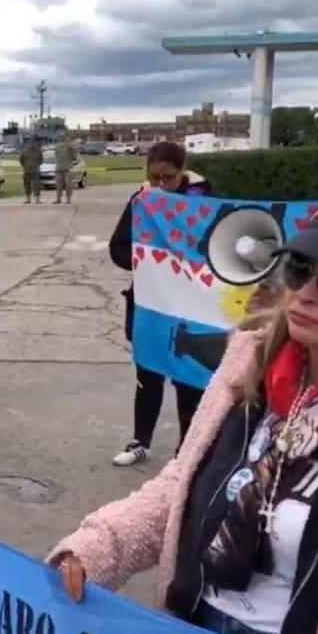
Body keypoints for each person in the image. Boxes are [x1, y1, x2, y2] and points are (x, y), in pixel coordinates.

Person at [50, 181, 318, 634]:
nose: (307, 293)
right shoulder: (247, 366)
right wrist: (99, 546)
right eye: (299, 268)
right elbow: (183, 483)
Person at [108, 141, 212, 466]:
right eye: (154, 177)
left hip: (190, 310)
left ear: (182, 172)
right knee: (148, 376)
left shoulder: (204, 202)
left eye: (168, 178)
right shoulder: (142, 201)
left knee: (188, 383)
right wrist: (146, 260)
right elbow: (117, 248)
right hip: (149, 306)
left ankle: (186, 452)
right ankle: (141, 441)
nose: (160, 185)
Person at [19, 139, 44, 204]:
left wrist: (36, 165)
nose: (32, 145)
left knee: (36, 185)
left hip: (36, 171)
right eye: (30, 143)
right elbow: (21, 160)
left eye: (33, 143)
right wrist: (25, 166)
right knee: (27, 185)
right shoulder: (24, 151)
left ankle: (37, 199)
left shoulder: (38, 151)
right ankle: (28, 199)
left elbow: (41, 160)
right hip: (27, 170)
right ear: (28, 144)